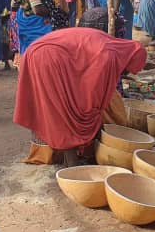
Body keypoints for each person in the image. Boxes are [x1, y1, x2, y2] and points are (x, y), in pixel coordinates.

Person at [14, 27, 145, 165]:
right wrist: (91, 123)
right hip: (48, 57)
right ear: (129, 60)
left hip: (39, 52)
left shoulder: (111, 45)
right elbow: (93, 95)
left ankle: (65, 158)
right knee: (66, 113)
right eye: (127, 70)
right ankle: (72, 164)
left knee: (56, 109)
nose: (123, 73)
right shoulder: (110, 55)